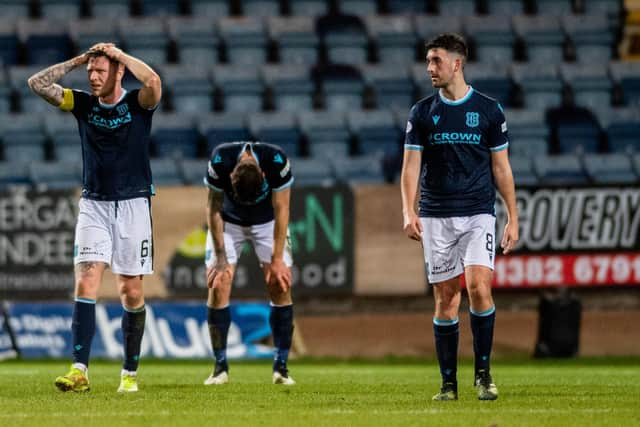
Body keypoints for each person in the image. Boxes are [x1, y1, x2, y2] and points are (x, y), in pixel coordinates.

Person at [28, 42, 162, 393]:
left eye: (101, 71)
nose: (94, 76)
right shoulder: (83, 105)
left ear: (118, 73)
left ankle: (129, 373)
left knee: (130, 290)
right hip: (94, 204)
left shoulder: (136, 104)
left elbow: (154, 82)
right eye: (92, 71)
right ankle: (79, 370)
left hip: (133, 204)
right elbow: (37, 84)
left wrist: (119, 56)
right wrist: (78, 60)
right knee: (86, 279)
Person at [400, 33, 519, 401]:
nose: (429, 67)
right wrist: (408, 210)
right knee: (446, 299)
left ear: (457, 63)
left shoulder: (488, 110)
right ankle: (448, 383)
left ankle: (483, 374)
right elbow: (409, 169)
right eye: (428, 61)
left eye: (435, 60)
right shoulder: (422, 112)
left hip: (478, 214)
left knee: (480, 288)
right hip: (436, 216)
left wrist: (512, 216)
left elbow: (501, 169)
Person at [202, 141, 295, 386]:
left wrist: (277, 260)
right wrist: (220, 256)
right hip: (229, 222)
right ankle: (219, 367)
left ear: (264, 175)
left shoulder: (277, 160)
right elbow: (213, 207)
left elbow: (282, 207)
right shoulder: (220, 160)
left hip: (267, 222)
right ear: (231, 175)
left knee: (280, 283)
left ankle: (281, 367)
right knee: (218, 282)